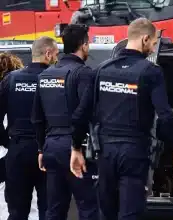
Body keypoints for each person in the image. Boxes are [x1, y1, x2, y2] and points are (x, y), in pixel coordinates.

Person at [70, 18, 173, 220]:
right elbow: (165, 116)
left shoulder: (101, 70)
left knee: (107, 213)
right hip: (134, 154)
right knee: (130, 214)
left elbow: (81, 113)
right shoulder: (151, 72)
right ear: (144, 39)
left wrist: (76, 149)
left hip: (105, 154)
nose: (153, 48)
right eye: (153, 43)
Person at [31, 25, 99, 220]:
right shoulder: (84, 73)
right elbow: (86, 113)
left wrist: (41, 149)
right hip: (75, 149)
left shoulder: (44, 75)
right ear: (84, 45)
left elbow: (37, 118)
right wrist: (78, 146)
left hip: (51, 148)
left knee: (54, 210)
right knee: (89, 208)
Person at [0, 37, 58, 220]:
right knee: (48, 210)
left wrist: (7, 143)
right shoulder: (55, 80)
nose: (57, 58)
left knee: (17, 211)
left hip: (18, 150)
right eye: (56, 54)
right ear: (48, 54)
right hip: (48, 151)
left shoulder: (11, 79)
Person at [0, 52, 42, 220]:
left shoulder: (8, 86)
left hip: (14, 150)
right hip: (39, 148)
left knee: (15, 208)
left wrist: (7, 143)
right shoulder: (43, 80)